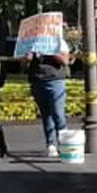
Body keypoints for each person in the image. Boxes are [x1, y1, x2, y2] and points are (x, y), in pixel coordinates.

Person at [20, 29, 72, 157]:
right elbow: (22, 65)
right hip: (37, 81)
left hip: (55, 81)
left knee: (58, 114)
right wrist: (27, 59)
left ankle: (65, 145)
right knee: (46, 115)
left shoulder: (58, 42)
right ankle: (51, 144)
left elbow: (65, 60)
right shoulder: (32, 44)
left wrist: (49, 52)